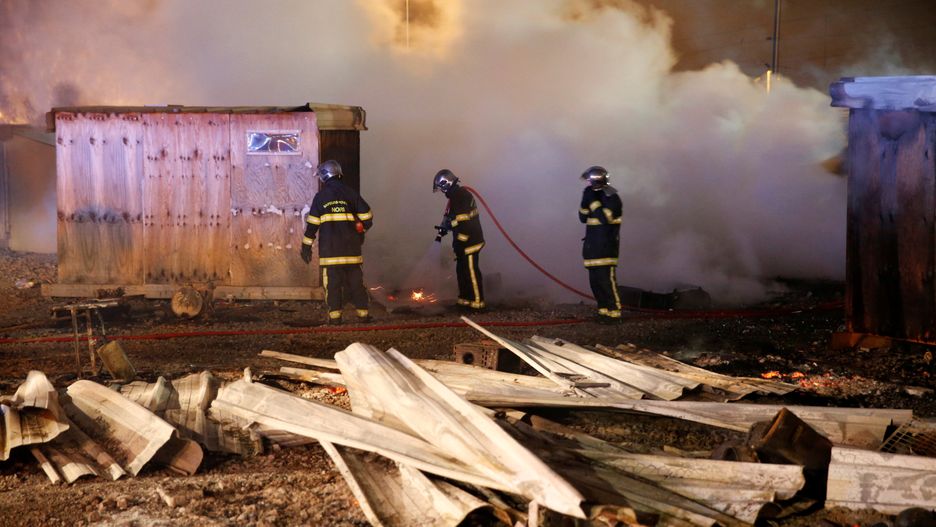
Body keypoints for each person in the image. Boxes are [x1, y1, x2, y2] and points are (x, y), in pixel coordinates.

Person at [300, 160, 373, 324]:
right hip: (352, 251)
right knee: (357, 284)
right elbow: (367, 218)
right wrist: (359, 231)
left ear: (324, 176)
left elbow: (312, 226)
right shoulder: (351, 193)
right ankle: (363, 315)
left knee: (332, 285)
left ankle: (335, 318)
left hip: (330, 253)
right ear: (338, 173)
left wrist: (306, 247)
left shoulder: (320, 197)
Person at [433, 169, 485, 311]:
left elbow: (463, 219)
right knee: (462, 272)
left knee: (471, 272)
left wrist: (450, 225)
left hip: (470, 241)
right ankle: (464, 300)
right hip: (462, 242)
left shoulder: (462, 195)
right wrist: (445, 227)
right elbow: (454, 218)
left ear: (446, 184)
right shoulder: (455, 197)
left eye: (441, 188)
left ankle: (477, 303)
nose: (442, 192)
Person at [578, 165, 623, 323]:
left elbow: (605, 219)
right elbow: (582, 217)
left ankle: (614, 314)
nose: (588, 184)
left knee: (607, 284)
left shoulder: (612, 198)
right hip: (592, 250)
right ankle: (603, 312)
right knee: (596, 285)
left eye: (590, 181)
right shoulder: (591, 195)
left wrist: (593, 201)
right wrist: (585, 200)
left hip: (605, 250)